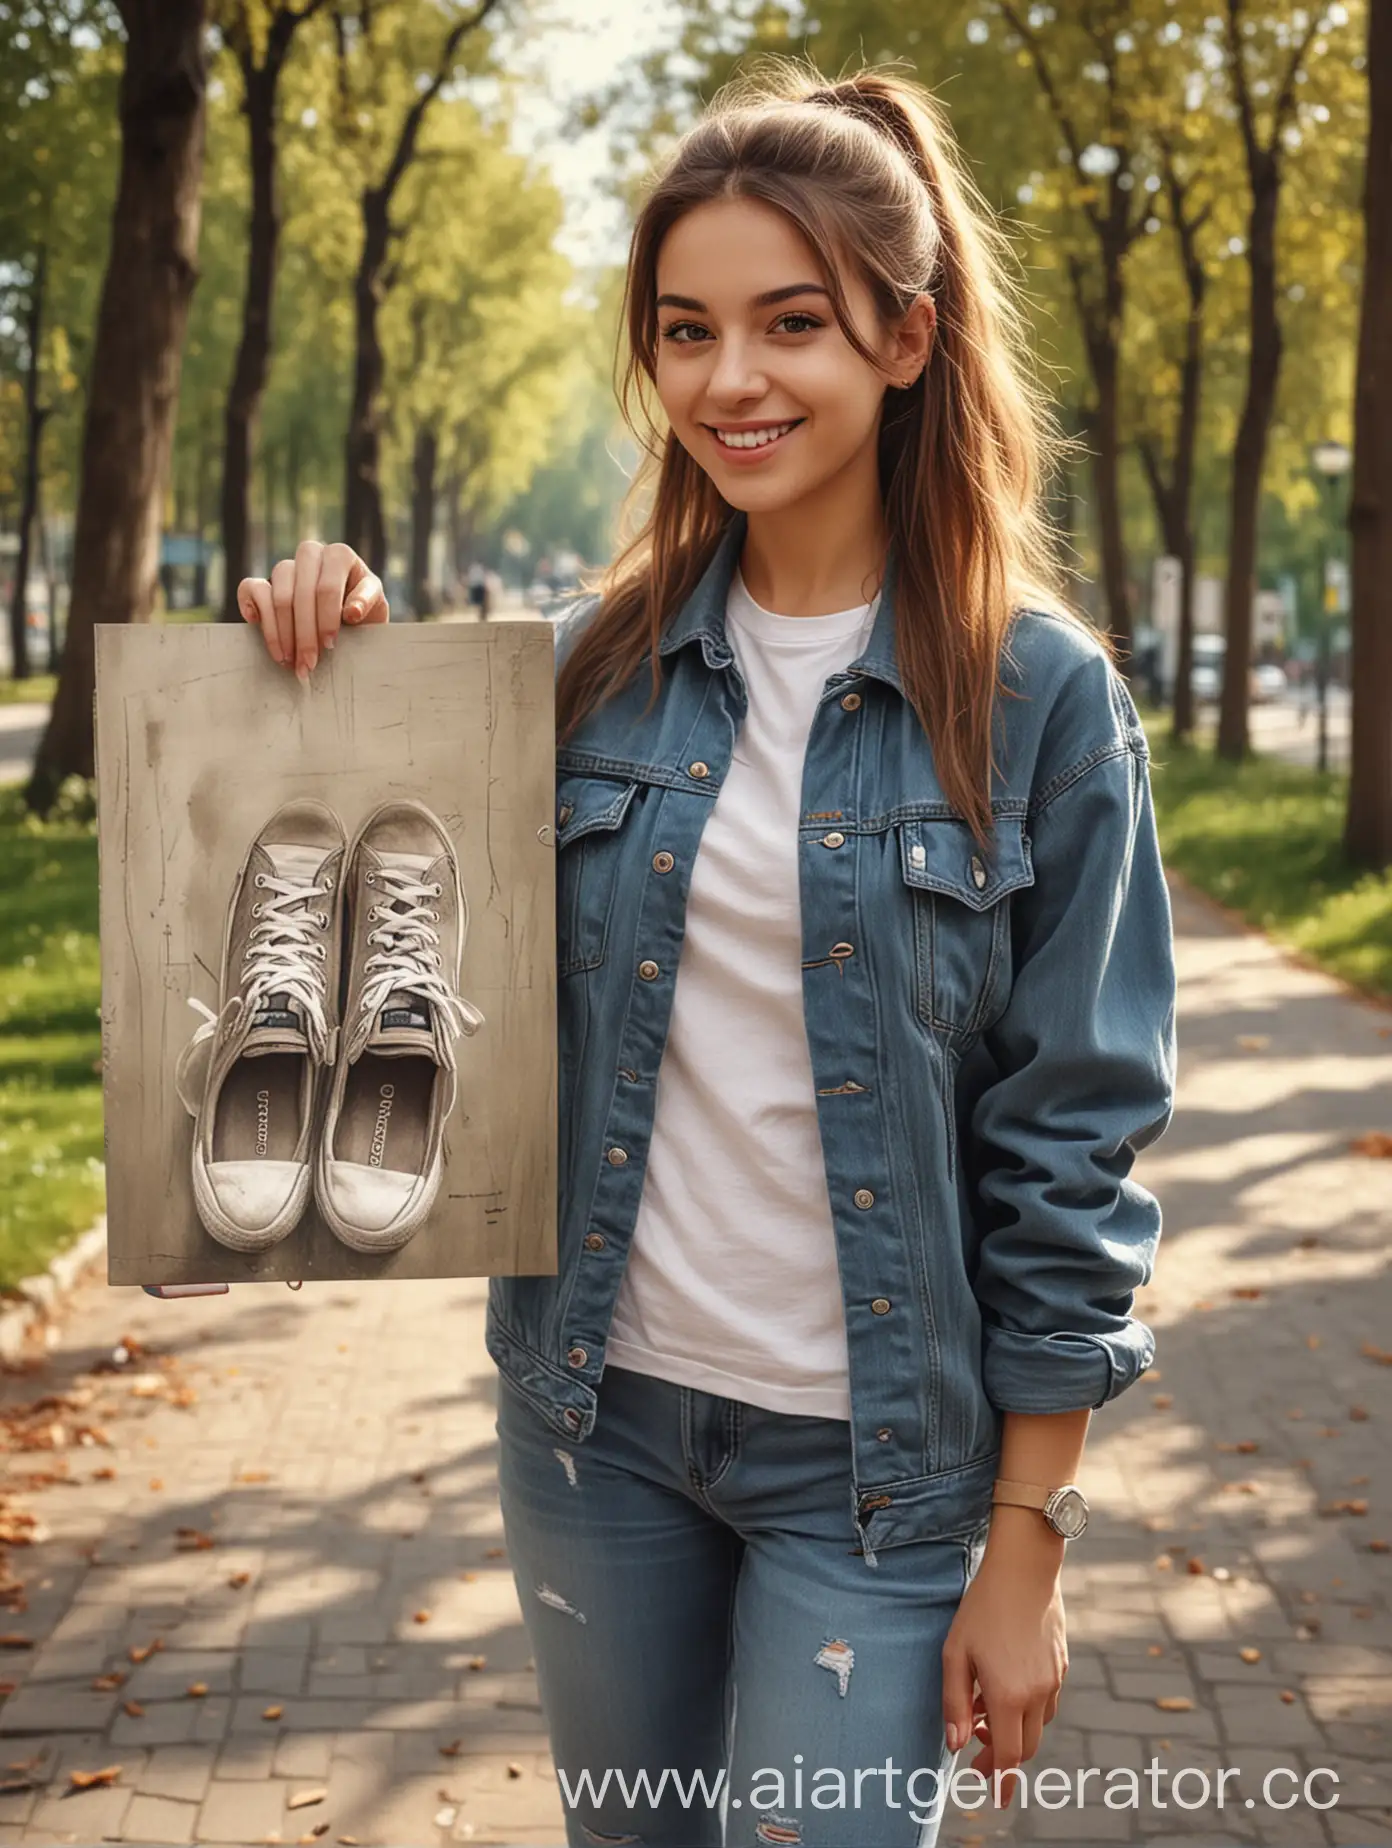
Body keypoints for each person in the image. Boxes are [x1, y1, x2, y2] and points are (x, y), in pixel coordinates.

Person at [237, 58, 1177, 1848]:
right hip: (598, 1431)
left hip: (880, 1473)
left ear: (906, 341)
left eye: (790, 324)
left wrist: (1029, 1547)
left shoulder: (1043, 703)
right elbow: (383, 925)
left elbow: (1076, 1142)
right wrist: (329, 654)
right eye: (684, 331)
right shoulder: (589, 668)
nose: (729, 381)